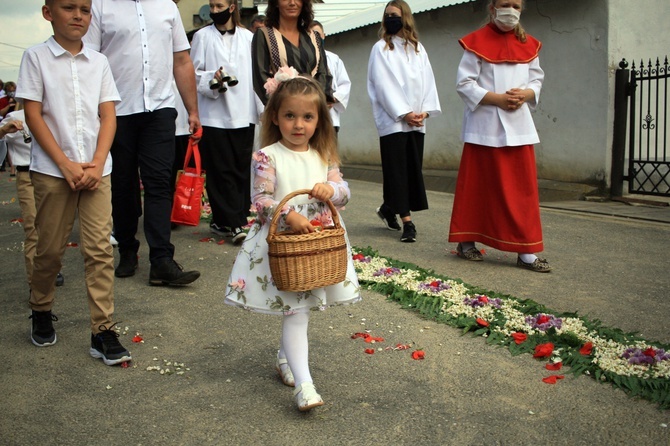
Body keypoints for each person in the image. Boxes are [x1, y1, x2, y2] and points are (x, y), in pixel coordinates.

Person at [224, 74, 361, 411]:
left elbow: (343, 192)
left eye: (308, 117)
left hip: (317, 246)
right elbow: (261, 199)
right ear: (275, 116)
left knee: (301, 308)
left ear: (319, 120)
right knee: (297, 312)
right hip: (283, 243)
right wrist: (288, 215)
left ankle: (286, 358)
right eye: (290, 116)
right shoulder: (267, 156)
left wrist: (333, 190)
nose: (298, 125)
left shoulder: (324, 154)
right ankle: (305, 386)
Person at [16, 0, 131, 365]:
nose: (78, 15)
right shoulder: (36, 58)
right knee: (49, 250)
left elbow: (108, 115)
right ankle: (41, 307)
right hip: (53, 172)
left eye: (85, 9)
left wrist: (97, 163)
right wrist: (65, 164)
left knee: (99, 249)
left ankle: (103, 330)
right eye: (69, 7)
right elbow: (33, 114)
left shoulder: (99, 62)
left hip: (98, 171)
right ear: (48, 13)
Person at [84, 0, 201, 286]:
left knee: (159, 182)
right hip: (116, 111)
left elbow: (182, 60)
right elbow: (89, 59)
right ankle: (127, 248)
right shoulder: (100, 6)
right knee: (123, 184)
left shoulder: (166, 7)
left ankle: (161, 259)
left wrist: (193, 109)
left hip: (159, 110)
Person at [448, 0, 551, 273]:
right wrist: (497, 99)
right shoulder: (476, 42)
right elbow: (464, 84)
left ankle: (526, 251)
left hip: (519, 127)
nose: (511, 9)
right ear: (492, 8)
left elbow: (536, 80)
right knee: (478, 187)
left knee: (522, 192)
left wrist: (526, 95)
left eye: (516, 5)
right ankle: (467, 242)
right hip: (484, 127)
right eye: (505, 4)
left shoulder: (530, 44)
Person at [367, 0, 441, 243]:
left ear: (405, 17)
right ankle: (408, 223)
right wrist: (404, 112)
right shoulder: (381, 49)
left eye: (394, 15)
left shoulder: (418, 49)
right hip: (393, 120)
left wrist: (425, 112)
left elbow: (427, 80)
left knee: (411, 168)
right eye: (387, 15)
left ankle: (389, 208)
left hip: (416, 121)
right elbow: (383, 84)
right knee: (397, 169)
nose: (390, 19)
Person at [191, 0, 261, 245]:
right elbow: (194, 72)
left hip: (244, 112)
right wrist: (213, 79)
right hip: (214, 114)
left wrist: (262, 111)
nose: (214, 11)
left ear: (232, 7)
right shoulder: (202, 36)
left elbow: (257, 75)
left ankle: (229, 218)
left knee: (241, 168)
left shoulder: (249, 38)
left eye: (219, 5)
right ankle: (232, 223)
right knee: (220, 170)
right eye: (211, 6)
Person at [0, 103, 65, 288]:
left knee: (54, 227)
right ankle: (36, 284)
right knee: (33, 228)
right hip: (27, 175)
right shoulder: (16, 117)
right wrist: (5, 129)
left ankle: (51, 267)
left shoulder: (54, 113)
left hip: (53, 174)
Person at [251, 0, 332, 106]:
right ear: (276, 3)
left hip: (313, 108)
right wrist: (283, 106)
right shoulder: (264, 35)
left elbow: (323, 73)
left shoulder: (314, 37)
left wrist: (317, 102)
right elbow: (260, 78)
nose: (292, 3)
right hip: (282, 109)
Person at [310, 20, 351, 134]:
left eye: (318, 34)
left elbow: (344, 83)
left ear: (324, 35)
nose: (315, 38)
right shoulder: (302, 59)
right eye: (311, 34)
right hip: (308, 117)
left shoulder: (333, 59)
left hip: (330, 117)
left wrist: (332, 98)